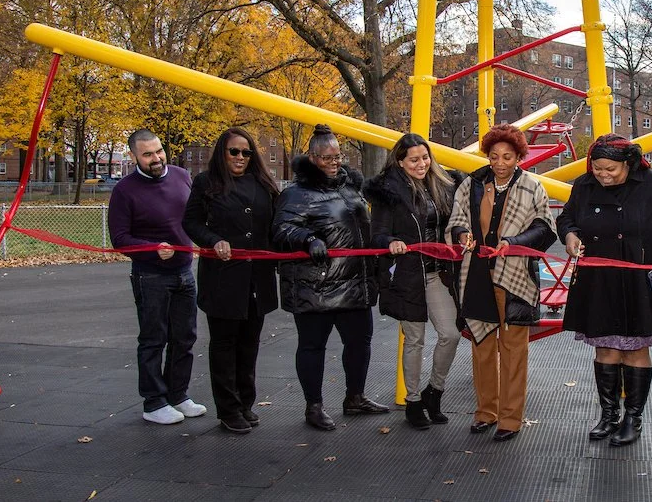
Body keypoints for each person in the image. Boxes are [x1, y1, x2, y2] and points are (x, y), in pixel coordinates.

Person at [558, 134, 652, 446]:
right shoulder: (584, 184)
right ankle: (608, 414)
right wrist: (570, 234)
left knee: (635, 347)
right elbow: (567, 217)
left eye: (610, 169)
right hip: (597, 278)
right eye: (597, 168)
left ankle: (633, 417)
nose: (603, 175)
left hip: (638, 278)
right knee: (604, 346)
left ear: (628, 164)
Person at [272, 124, 389, 431]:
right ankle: (314, 406)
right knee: (312, 346)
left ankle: (355, 396)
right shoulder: (297, 194)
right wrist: (308, 239)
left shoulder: (350, 188)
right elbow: (281, 230)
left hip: (354, 281)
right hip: (317, 286)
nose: (334, 162)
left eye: (338, 156)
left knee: (359, 342)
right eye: (326, 158)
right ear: (312, 158)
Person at [446, 124, 557, 442]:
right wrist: (462, 234)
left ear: (519, 157)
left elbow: (545, 227)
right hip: (478, 274)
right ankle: (485, 412)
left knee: (513, 350)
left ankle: (511, 418)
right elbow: (457, 218)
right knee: (481, 347)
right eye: (494, 156)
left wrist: (515, 241)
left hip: (515, 278)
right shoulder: (472, 184)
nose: (500, 163)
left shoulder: (532, 187)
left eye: (507, 157)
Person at [182, 127, 279, 434]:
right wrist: (213, 240)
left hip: (256, 279)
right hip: (224, 278)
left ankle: (246, 403)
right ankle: (228, 409)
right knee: (224, 345)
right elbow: (191, 222)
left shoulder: (264, 185)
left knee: (249, 344)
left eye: (246, 152)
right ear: (222, 153)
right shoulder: (206, 183)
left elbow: (276, 225)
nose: (240, 157)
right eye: (234, 151)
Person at [108, 128, 206, 425]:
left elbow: (193, 217)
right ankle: (154, 402)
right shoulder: (125, 190)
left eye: (158, 151)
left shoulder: (180, 176)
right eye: (147, 154)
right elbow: (120, 238)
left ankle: (178, 394)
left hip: (184, 271)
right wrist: (151, 249)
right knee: (153, 338)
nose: (156, 158)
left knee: (185, 336)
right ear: (134, 156)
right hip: (150, 275)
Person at [365, 133, 461, 430]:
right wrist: (390, 241)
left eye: (425, 157)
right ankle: (414, 399)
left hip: (436, 273)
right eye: (414, 160)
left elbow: (453, 222)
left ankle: (435, 390)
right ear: (400, 161)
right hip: (407, 274)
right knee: (415, 339)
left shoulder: (442, 184)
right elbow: (377, 233)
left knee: (451, 333)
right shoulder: (388, 192)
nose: (422, 164)